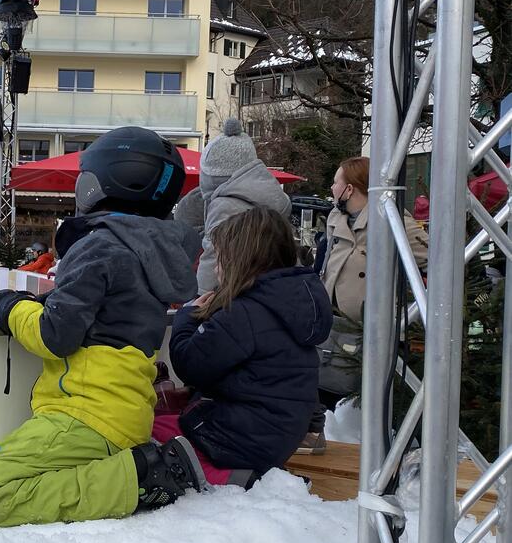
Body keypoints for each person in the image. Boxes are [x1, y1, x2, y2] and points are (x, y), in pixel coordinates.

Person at [0, 126, 203, 527]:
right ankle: (136, 468)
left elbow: (54, 334)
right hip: (123, 414)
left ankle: (146, 476)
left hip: (87, 415)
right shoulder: (150, 249)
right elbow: (103, 315)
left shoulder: (100, 244)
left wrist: (7, 306)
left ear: (107, 179)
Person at [166, 207, 332, 482]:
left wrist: (186, 317)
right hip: (275, 436)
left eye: (219, 259)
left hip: (240, 441)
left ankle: (226, 476)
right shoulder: (290, 302)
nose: (216, 268)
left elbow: (190, 364)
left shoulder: (244, 313)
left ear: (239, 259)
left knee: (151, 431)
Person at [305, 156, 429, 453]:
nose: (332, 187)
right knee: (327, 393)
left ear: (350, 189)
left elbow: (432, 255)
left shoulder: (393, 219)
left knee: (375, 402)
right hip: (333, 325)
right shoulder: (336, 218)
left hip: (373, 329)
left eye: (336, 181)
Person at [196, 118, 291, 293]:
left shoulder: (224, 204)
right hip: (272, 288)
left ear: (211, 171)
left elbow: (213, 254)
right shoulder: (272, 195)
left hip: (233, 291)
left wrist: (202, 294)